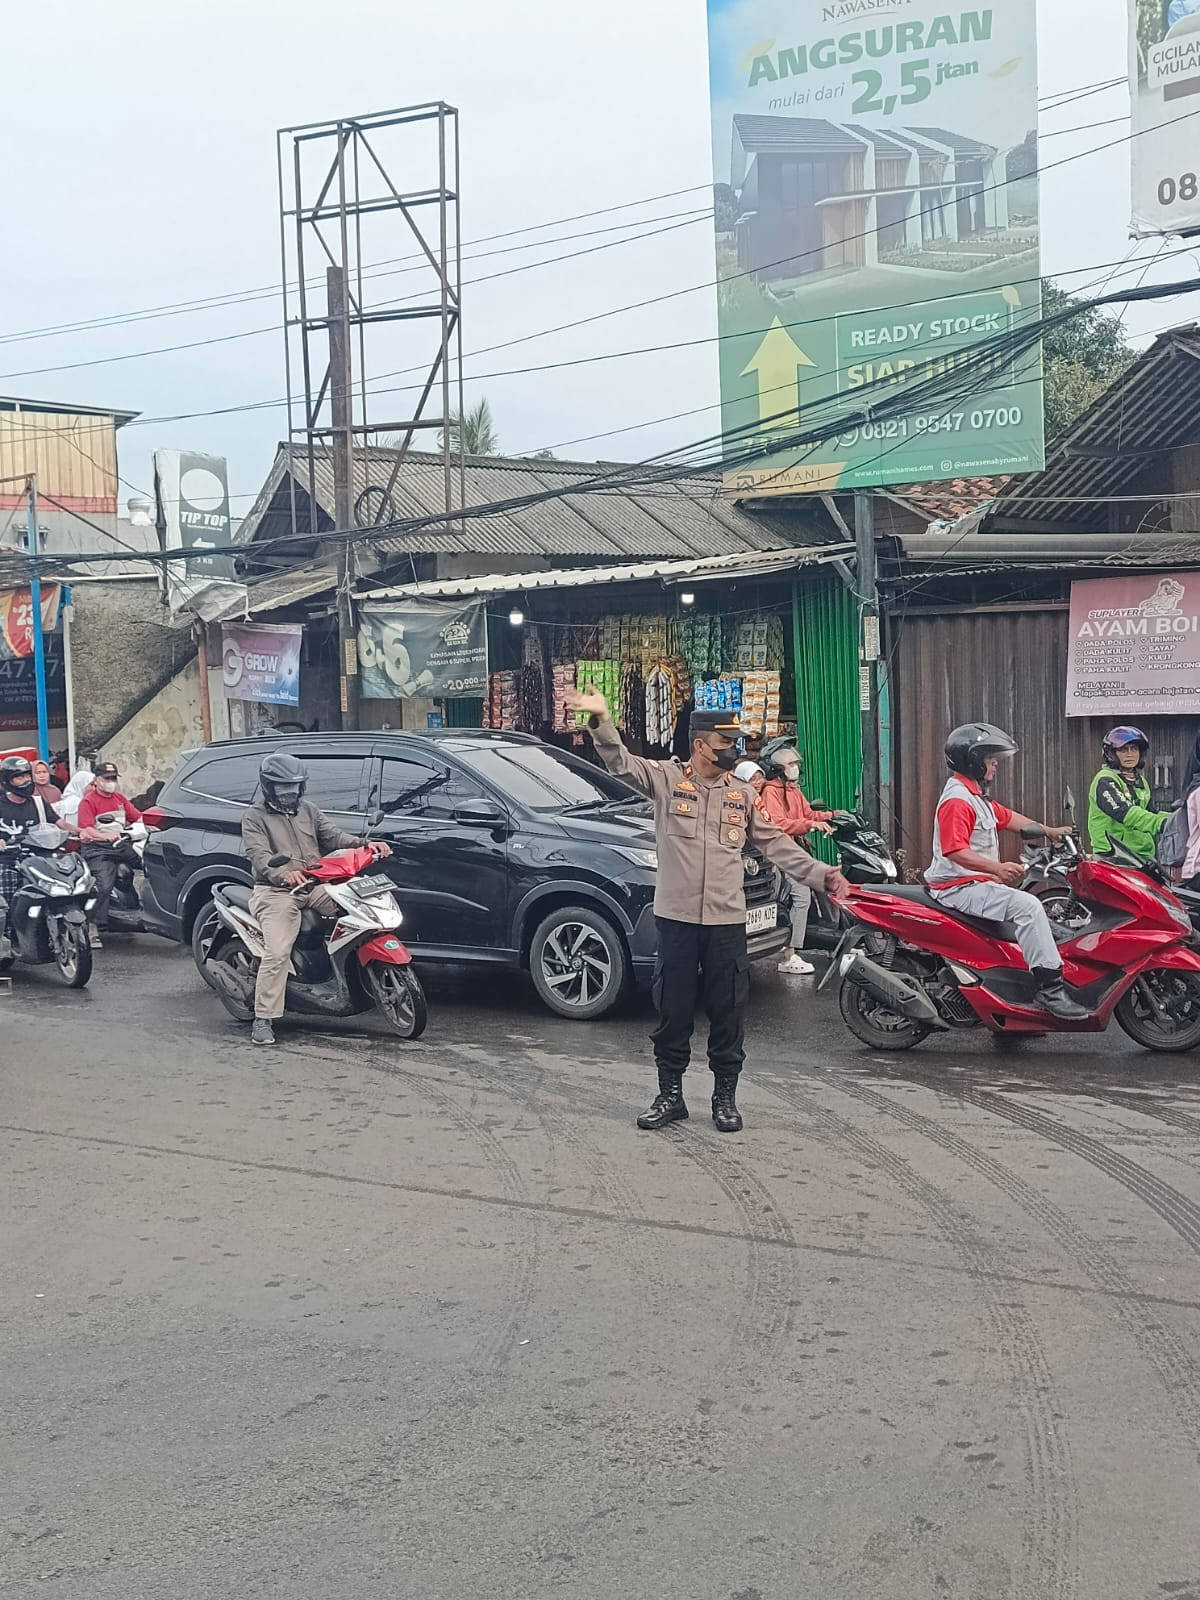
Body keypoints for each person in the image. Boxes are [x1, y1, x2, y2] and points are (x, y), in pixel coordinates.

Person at [564, 687, 849, 1134]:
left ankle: (724, 1099)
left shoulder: (741, 794)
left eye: (736, 744)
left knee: (727, 1012)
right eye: (725, 745)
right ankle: (670, 1096)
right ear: (700, 745)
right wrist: (602, 718)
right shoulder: (665, 779)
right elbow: (620, 762)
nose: (734, 752)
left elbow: (774, 843)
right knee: (673, 1011)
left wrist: (821, 875)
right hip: (676, 920)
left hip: (726, 922)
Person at [927, 723, 1086, 1021]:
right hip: (958, 888)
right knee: (1028, 906)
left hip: (975, 883)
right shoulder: (957, 801)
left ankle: (1014, 995)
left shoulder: (975, 796)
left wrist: (1051, 832)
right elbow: (955, 850)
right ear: (972, 760)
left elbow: (1008, 818)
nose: (995, 763)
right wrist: (997, 868)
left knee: (1031, 915)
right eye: (990, 758)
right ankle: (1050, 991)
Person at [241, 751, 392, 1046]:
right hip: (276, 892)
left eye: (295, 787)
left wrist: (366, 844)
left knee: (362, 912)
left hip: (315, 884)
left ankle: (349, 980)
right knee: (277, 952)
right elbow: (258, 855)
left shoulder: (308, 810)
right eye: (283, 787)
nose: (289, 793)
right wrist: (283, 874)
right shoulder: (254, 817)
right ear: (268, 787)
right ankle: (264, 1017)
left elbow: (334, 837)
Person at [759, 740, 834, 977]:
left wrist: (834, 816)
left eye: (795, 763)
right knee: (802, 895)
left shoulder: (792, 790)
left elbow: (808, 813)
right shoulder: (770, 791)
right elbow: (778, 823)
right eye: (790, 763)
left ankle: (833, 941)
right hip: (778, 854)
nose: (795, 767)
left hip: (794, 851)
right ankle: (789, 954)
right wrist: (810, 824)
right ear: (778, 768)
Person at [77, 762, 142, 949]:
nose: (111, 782)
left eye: (113, 778)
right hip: (98, 849)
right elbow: (87, 828)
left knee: (153, 865)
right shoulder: (88, 802)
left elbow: (137, 817)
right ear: (96, 780)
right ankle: (92, 926)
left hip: (121, 845)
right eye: (107, 778)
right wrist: (104, 836)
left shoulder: (120, 799)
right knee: (103, 885)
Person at [1087, 726, 1169, 860]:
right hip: (1114, 856)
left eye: (1134, 749)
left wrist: (1178, 818)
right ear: (1111, 754)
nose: (1129, 754)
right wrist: (1162, 823)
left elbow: (1152, 813)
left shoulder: (1141, 781)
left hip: (1142, 856)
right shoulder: (1105, 780)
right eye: (1123, 750)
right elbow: (1125, 813)